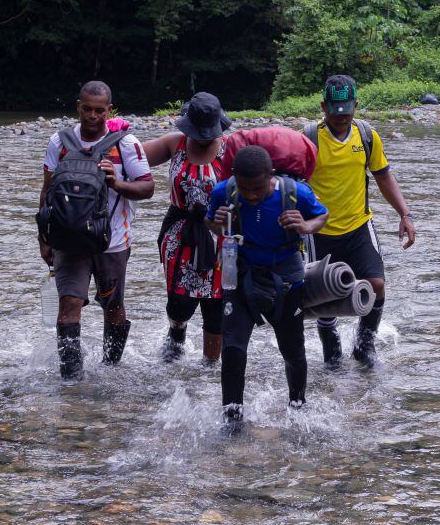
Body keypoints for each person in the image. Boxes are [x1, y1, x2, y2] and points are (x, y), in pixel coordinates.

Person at [206, 145, 328, 433]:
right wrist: (216, 223)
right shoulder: (223, 192)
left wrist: (305, 226)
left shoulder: (295, 193)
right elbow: (209, 221)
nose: (250, 195)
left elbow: (322, 217)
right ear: (234, 177)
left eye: (258, 188)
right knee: (233, 349)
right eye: (244, 187)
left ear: (270, 176)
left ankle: (297, 407)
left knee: (293, 349)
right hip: (241, 274)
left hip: (286, 278)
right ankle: (232, 419)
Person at [38, 81, 154, 381]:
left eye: (99, 111)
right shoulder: (59, 142)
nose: (92, 116)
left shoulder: (127, 144)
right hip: (67, 239)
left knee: (112, 305)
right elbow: (48, 189)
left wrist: (118, 183)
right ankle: (71, 381)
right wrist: (43, 237)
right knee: (69, 303)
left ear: (109, 110)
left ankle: (110, 370)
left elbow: (147, 188)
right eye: (86, 109)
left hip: (112, 241)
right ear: (78, 106)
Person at [305, 75, 416, 369]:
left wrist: (405, 214)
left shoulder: (367, 136)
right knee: (322, 299)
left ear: (356, 105)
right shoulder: (308, 139)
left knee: (377, 284)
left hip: (358, 226)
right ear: (323, 107)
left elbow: (383, 176)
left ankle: (364, 344)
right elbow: (292, 183)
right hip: (318, 231)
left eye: (347, 110)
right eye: (334, 111)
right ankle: (331, 349)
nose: (341, 117)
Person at [142, 92, 231, 364]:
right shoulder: (175, 144)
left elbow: (261, 175)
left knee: (216, 306)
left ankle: (208, 368)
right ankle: (176, 331)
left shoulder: (231, 149)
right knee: (180, 302)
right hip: (181, 231)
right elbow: (131, 157)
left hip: (221, 234)